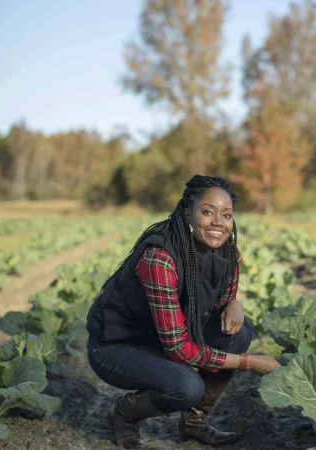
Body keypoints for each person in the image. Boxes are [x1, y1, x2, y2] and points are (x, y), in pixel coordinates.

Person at [86, 175, 280, 449]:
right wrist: (249, 362)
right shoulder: (159, 259)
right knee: (187, 387)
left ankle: (195, 422)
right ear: (188, 212)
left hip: (162, 338)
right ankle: (124, 414)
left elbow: (221, 302)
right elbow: (179, 350)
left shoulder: (228, 254)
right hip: (118, 346)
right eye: (207, 212)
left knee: (239, 333)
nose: (218, 222)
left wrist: (235, 303)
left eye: (226, 215)